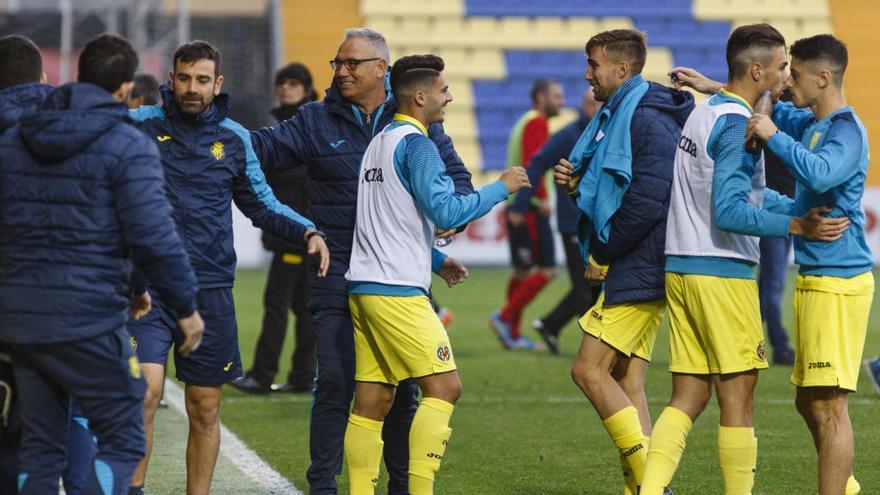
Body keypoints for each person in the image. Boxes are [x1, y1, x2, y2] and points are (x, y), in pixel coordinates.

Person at [250, 29, 475, 495]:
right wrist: (218, 138)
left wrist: (447, 222)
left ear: (381, 68)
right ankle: (323, 486)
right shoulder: (314, 119)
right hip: (337, 274)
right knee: (334, 379)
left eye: (352, 63)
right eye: (337, 64)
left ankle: (399, 484)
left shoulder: (418, 119)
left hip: (398, 276)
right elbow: (262, 151)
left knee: (402, 392)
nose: (342, 72)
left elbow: (457, 179)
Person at [638, 24, 849, 495]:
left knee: (688, 394)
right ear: (757, 69)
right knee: (739, 399)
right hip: (722, 272)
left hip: (683, 266)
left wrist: (792, 208)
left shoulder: (706, 112)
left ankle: (647, 490)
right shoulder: (737, 125)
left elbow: (745, 192)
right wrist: (796, 226)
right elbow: (730, 210)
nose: (783, 79)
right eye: (778, 69)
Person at [0, 32, 204, 495]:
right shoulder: (128, 144)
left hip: (21, 321)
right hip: (87, 316)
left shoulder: (15, 139)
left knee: (41, 447)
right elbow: (151, 235)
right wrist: (185, 307)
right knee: (125, 437)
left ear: (76, 75)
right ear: (124, 88)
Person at [127, 40, 329, 495]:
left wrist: (307, 231)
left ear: (217, 83)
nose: (192, 88)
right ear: (171, 79)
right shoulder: (139, 125)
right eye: (184, 78)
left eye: (202, 79)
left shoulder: (235, 139)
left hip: (210, 289)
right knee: (143, 394)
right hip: (148, 291)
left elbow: (262, 202)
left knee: (204, 407)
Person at [343, 53, 530, 495]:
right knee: (445, 387)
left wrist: (433, 259)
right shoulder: (418, 145)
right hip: (396, 292)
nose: (449, 98)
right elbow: (446, 210)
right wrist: (501, 187)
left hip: (365, 287)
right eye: (444, 91)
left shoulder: (380, 141)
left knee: (374, 401)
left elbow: (385, 219)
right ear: (421, 96)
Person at [553, 29, 694, 493]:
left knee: (587, 370)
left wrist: (604, 251)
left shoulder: (645, 120)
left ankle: (655, 485)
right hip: (643, 260)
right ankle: (643, 486)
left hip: (641, 261)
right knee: (626, 378)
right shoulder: (624, 114)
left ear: (623, 68)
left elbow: (648, 199)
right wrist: (578, 184)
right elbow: (623, 186)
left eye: (593, 64)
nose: (587, 74)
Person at [746, 33, 872, 495]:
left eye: (794, 74)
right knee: (807, 401)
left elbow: (819, 172)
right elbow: (758, 102)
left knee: (829, 407)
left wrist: (772, 135)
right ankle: (847, 485)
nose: (787, 81)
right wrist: (711, 85)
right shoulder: (811, 121)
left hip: (840, 282)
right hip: (818, 278)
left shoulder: (844, 131)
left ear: (823, 78)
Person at [232, 62, 319, 395]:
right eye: (282, 82)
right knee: (302, 307)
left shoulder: (304, 126)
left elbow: (302, 173)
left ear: (307, 89)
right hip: (297, 231)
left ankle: (264, 374)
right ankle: (302, 375)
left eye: (294, 83)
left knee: (277, 304)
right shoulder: (289, 123)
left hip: (295, 233)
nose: (286, 88)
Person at [516, 88, 602, 354]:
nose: (595, 108)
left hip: (599, 222)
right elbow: (537, 162)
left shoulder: (608, 132)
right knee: (586, 288)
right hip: (573, 222)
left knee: (592, 285)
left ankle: (551, 325)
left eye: (599, 103)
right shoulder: (569, 135)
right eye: (591, 103)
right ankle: (595, 347)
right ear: (584, 105)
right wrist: (520, 203)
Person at [490, 78, 565, 350]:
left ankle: (511, 332)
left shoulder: (525, 121)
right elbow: (535, 163)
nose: (561, 101)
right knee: (548, 269)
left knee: (522, 271)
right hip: (529, 206)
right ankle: (504, 317)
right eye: (556, 96)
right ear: (540, 97)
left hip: (518, 204)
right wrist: (542, 199)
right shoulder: (537, 122)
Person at [758, 90, 797, 365]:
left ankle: (747, 338)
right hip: (774, 216)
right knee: (773, 283)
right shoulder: (774, 131)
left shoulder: (775, 127)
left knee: (768, 285)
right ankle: (781, 347)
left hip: (785, 214)